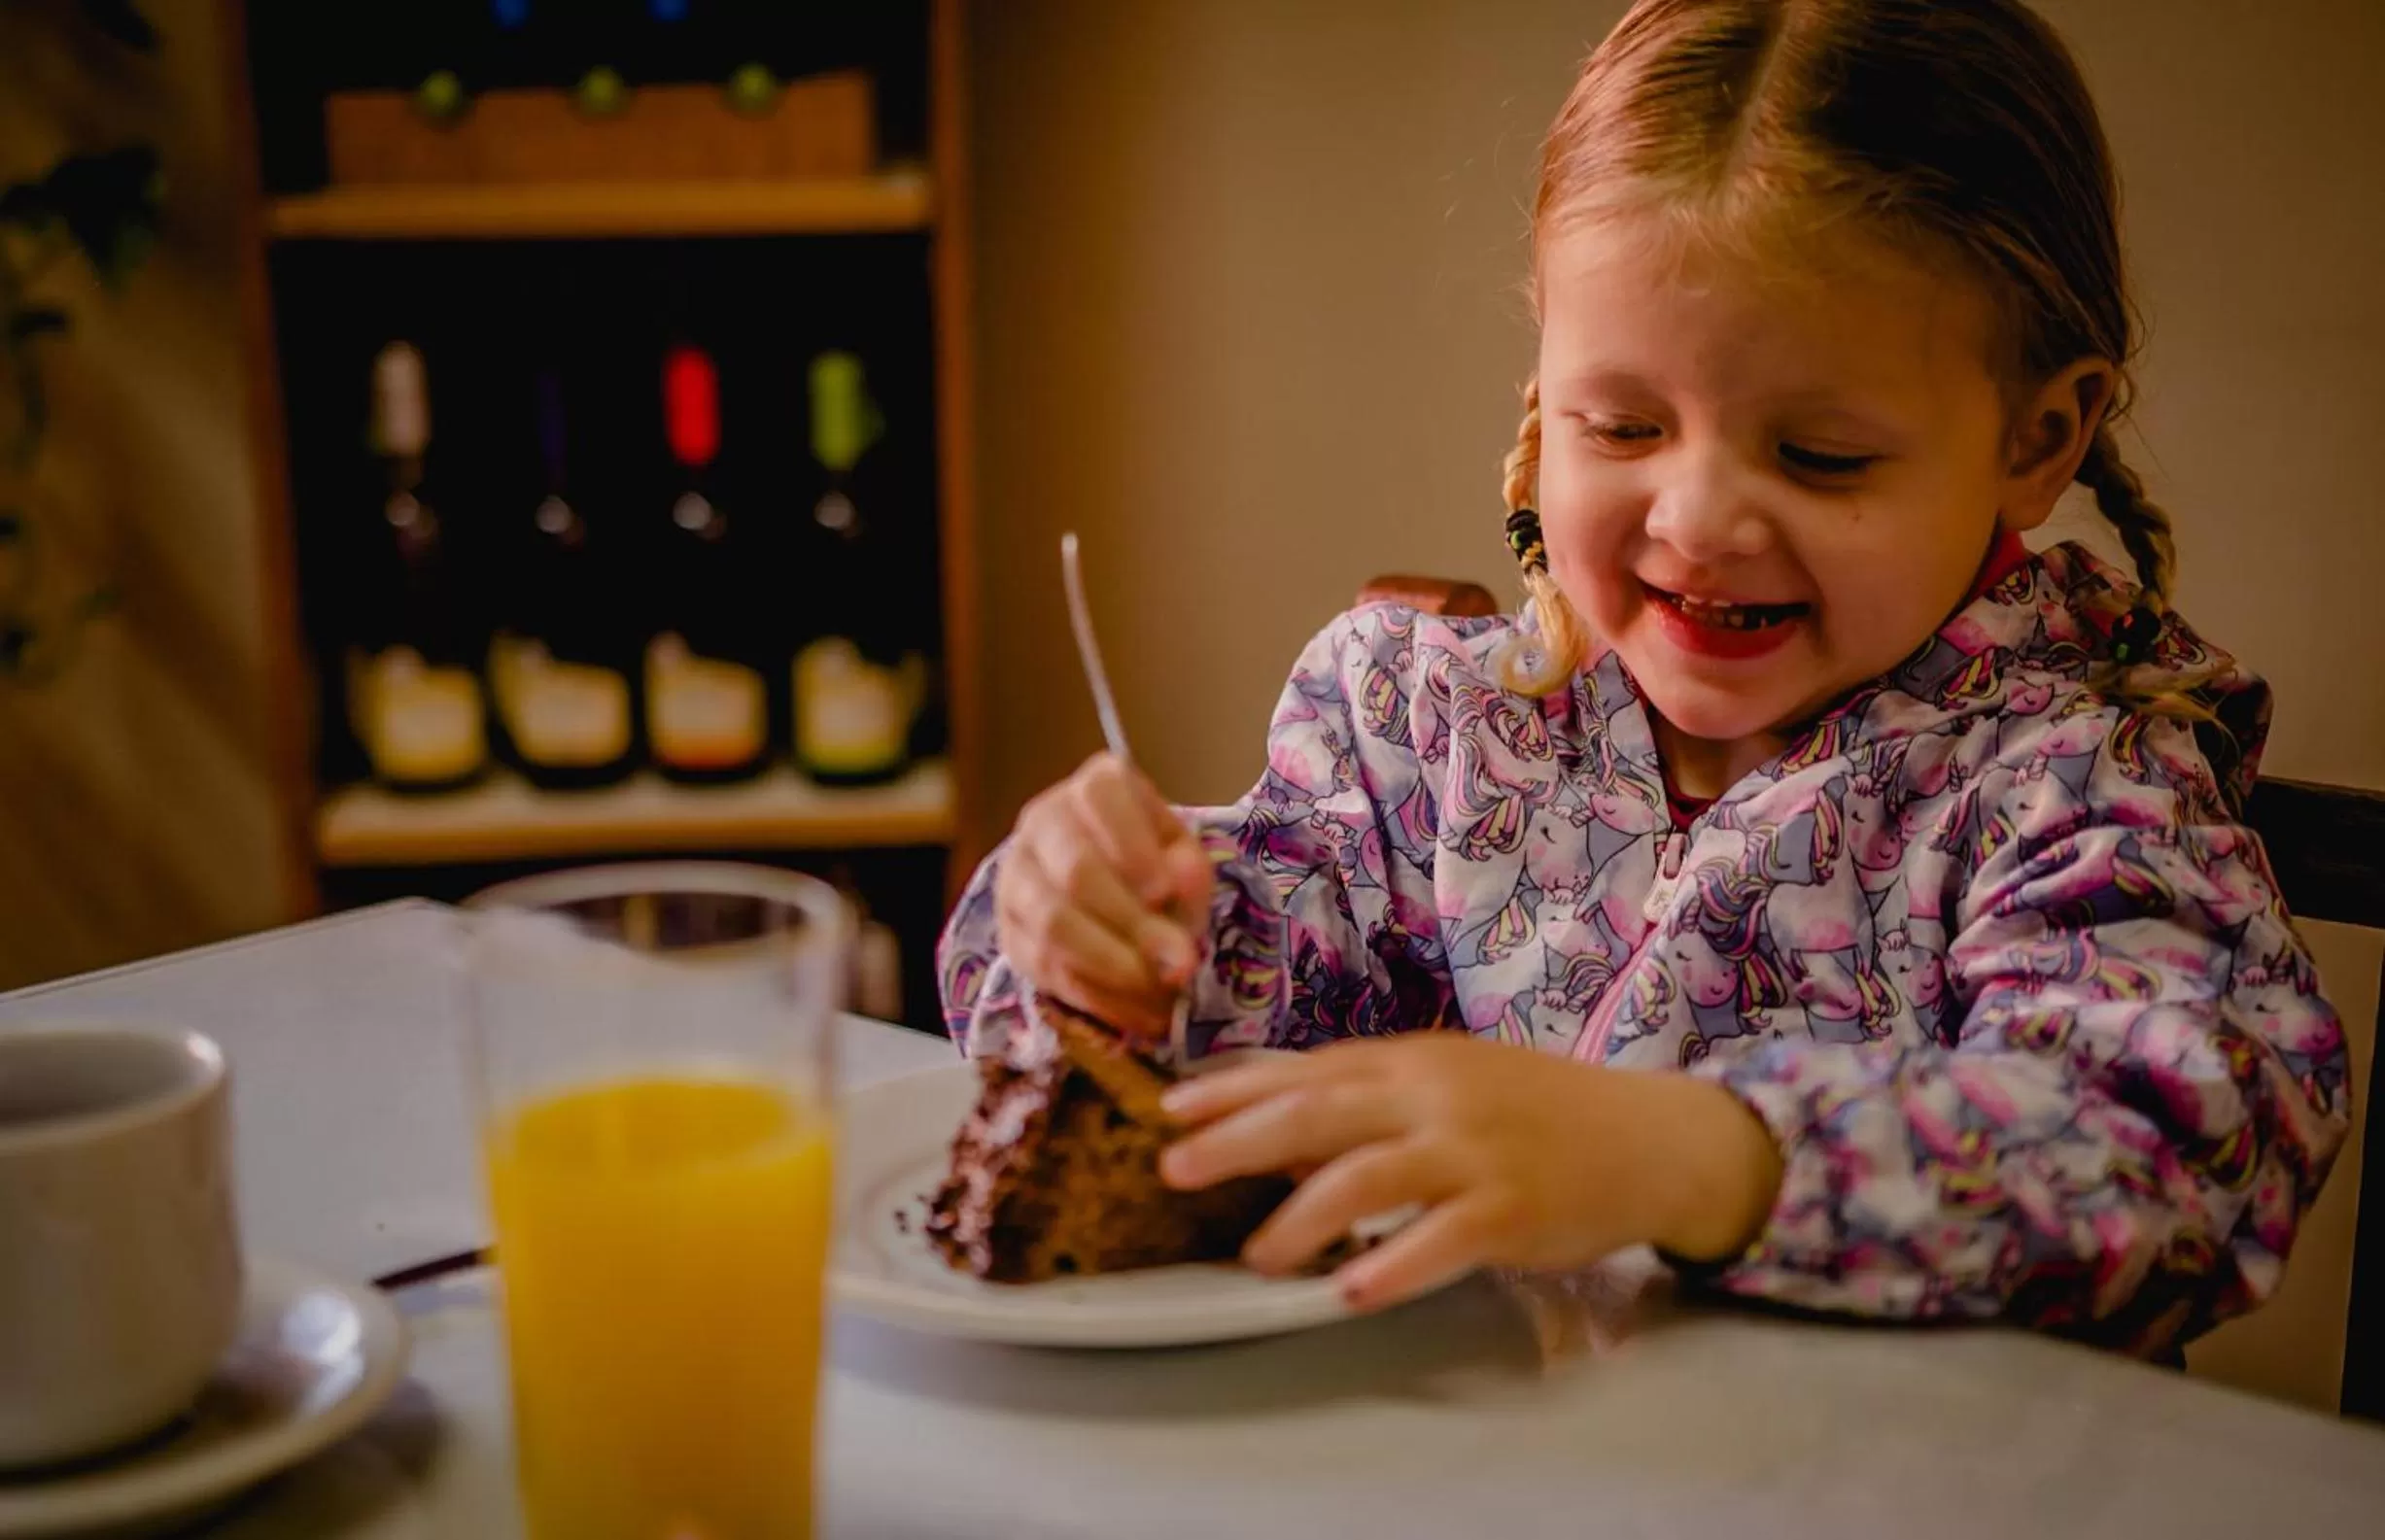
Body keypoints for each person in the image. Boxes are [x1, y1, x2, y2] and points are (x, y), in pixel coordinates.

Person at [939, 0, 2350, 1354]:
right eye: (1620, 426)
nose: (1698, 521)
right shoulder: (1424, 729)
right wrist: (1102, 942)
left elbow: (2185, 1144)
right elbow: (1203, 1041)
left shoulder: (2075, 789)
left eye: (1820, 456)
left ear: (2036, 440)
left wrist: (1695, 1159)